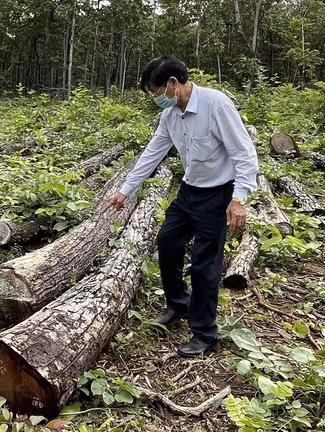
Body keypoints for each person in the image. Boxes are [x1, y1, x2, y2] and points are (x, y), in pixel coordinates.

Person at [102, 55, 258, 358]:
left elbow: (244, 154)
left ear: (173, 83)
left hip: (218, 194)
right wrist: (125, 190)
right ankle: (178, 304)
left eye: (157, 92)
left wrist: (239, 198)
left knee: (204, 264)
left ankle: (204, 332)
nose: (157, 98)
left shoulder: (217, 105)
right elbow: (152, 152)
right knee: (168, 242)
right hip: (189, 191)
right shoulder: (170, 115)